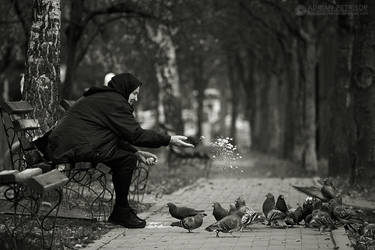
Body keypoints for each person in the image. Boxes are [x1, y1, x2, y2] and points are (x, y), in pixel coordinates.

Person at [46, 73, 193, 228]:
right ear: (125, 89)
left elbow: (115, 134)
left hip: (67, 145)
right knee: (126, 159)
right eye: (134, 93)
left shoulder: (107, 98)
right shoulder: (115, 102)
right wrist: (169, 140)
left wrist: (136, 152)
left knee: (129, 157)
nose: (136, 98)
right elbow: (135, 134)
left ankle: (121, 210)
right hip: (70, 148)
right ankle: (121, 212)